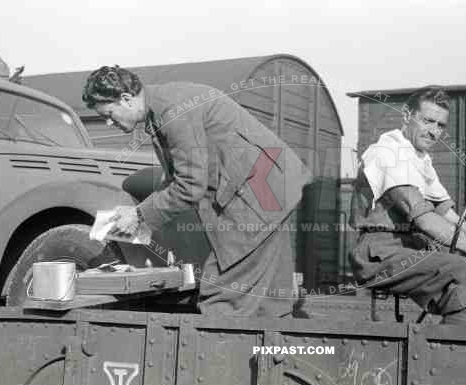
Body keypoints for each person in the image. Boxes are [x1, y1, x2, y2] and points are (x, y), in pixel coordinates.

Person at [82, 65, 312, 317]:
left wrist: (139, 216)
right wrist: (138, 211)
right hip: (267, 187)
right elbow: (178, 178)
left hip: (259, 193)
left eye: (109, 113)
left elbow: (190, 185)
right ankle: (272, 350)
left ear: (126, 99)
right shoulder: (160, 107)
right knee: (268, 300)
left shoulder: (172, 112)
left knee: (223, 297)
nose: (107, 122)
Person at [350, 86, 466, 326]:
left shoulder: (420, 159)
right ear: (406, 115)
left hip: (411, 246)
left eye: (440, 125)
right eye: (427, 121)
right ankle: (458, 353)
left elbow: (450, 216)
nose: (434, 132)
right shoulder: (387, 152)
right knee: (464, 271)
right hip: (380, 254)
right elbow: (425, 219)